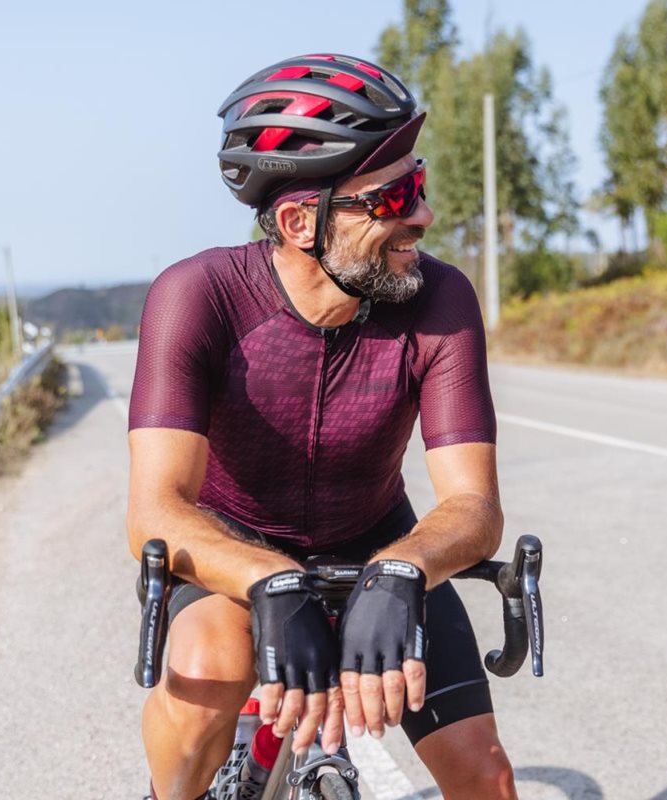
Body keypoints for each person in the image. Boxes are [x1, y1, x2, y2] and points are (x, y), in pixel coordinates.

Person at [126, 54, 516, 800]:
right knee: (208, 672)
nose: (423, 216)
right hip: (232, 544)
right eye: (393, 197)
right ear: (300, 222)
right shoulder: (197, 296)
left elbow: (474, 505)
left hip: (377, 540)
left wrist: (401, 570)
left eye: (419, 183)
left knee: (486, 776)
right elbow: (155, 511)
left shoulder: (441, 299)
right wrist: (267, 579)